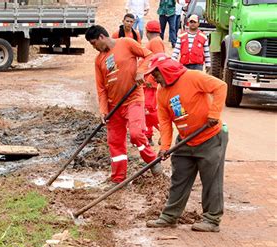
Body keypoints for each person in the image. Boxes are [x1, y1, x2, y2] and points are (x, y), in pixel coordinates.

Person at [144, 54, 228, 232]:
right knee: (179, 178)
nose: (154, 78)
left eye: (156, 74)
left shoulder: (192, 77)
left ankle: (212, 220)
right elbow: (165, 121)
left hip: (210, 137)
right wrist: (165, 147)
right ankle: (169, 216)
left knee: (211, 180)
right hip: (185, 141)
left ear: (165, 70)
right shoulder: (162, 92)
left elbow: (221, 86)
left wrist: (214, 114)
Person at [85, 25, 162, 184]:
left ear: (101, 37)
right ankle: (118, 178)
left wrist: (141, 71)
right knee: (115, 142)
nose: (94, 48)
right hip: (114, 106)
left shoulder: (126, 43)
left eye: (94, 44)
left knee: (136, 133)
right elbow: (101, 88)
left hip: (133, 99)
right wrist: (103, 110)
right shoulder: (99, 60)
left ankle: (152, 160)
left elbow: (149, 56)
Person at [143, 21, 165, 145]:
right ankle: (148, 136)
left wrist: (151, 79)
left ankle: (164, 130)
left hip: (150, 81)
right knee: (146, 110)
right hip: (148, 81)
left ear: (147, 31)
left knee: (149, 109)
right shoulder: (157, 41)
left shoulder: (155, 42)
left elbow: (158, 61)